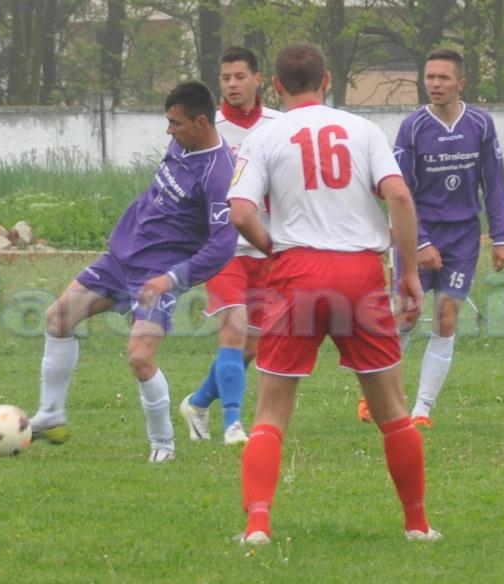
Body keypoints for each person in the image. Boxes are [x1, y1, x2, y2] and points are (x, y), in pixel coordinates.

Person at [228, 42, 441, 545]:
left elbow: (240, 212)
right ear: (327, 81)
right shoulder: (363, 130)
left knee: (270, 414)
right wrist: (409, 273)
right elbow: (399, 195)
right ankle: (417, 524)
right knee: (393, 411)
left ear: (275, 86)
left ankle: (258, 526)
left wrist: (274, 251)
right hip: (360, 273)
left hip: (297, 270)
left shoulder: (263, 136)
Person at [27, 81, 238, 464]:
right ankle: (51, 414)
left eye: (176, 123)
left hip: (158, 274)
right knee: (58, 318)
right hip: (121, 258)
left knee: (140, 358)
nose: (169, 131)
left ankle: (164, 445)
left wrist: (172, 279)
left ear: (202, 123)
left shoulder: (219, 172)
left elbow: (223, 245)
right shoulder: (182, 144)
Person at [357, 48, 504, 427]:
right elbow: (400, 192)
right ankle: (375, 396)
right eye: (430, 77)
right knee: (406, 315)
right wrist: (420, 242)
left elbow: (494, 182)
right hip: (417, 234)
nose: (435, 84)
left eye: (443, 78)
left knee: (446, 318)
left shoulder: (481, 124)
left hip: (463, 237)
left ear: (461, 83)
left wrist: (501, 237)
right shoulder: (413, 127)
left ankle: (422, 410)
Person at [179, 47, 282, 446]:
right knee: (234, 330)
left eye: (240, 77)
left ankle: (198, 403)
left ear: (258, 79)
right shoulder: (207, 128)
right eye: (225, 78)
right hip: (222, 248)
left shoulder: (280, 126)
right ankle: (234, 426)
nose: (233, 85)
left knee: (250, 347)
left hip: (268, 247)